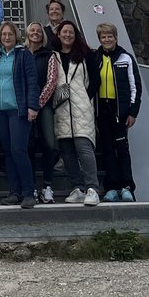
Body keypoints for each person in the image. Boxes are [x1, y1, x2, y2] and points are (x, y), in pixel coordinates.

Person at [0, 21, 39, 209]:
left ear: (16, 36)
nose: (7, 37)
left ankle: (28, 192)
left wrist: (32, 106)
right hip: (0, 110)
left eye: (10, 34)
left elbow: (32, 81)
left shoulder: (24, 54)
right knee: (8, 152)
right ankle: (14, 192)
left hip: (18, 109)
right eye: (4, 34)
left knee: (19, 150)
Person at [53, 20, 100, 206]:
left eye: (70, 32)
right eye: (64, 32)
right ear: (58, 34)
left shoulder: (85, 55)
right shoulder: (54, 56)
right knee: (67, 150)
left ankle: (92, 188)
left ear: (75, 35)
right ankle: (77, 188)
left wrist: (86, 98)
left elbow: (95, 80)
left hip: (81, 107)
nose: (67, 35)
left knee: (83, 147)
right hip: (62, 108)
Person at [94, 21, 142, 201]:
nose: (107, 40)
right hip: (102, 109)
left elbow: (135, 87)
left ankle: (127, 187)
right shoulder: (96, 57)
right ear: (99, 39)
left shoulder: (125, 58)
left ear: (115, 37)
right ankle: (112, 187)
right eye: (103, 37)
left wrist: (133, 112)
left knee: (122, 148)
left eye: (110, 36)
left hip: (120, 110)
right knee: (107, 149)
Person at [24, 21, 59, 203]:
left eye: (39, 30)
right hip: (25, 105)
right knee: (28, 146)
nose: (36, 33)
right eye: (32, 30)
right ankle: (31, 186)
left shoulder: (49, 55)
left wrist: (37, 103)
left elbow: (52, 81)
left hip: (43, 105)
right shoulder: (21, 53)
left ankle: (47, 185)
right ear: (27, 33)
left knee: (49, 144)